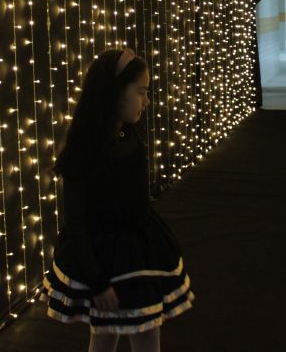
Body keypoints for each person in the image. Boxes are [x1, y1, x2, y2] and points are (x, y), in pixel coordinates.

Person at [43, 48, 194, 352]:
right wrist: (97, 281)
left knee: (121, 332)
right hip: (104, 257)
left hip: (137, 248)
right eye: (141, 92)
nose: (146, 101)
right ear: (114, 93)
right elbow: (76, 221)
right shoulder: (84, 151)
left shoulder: (129, 136)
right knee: (123, 333)